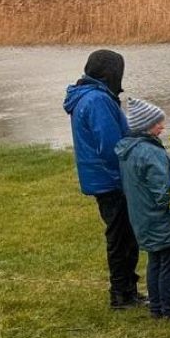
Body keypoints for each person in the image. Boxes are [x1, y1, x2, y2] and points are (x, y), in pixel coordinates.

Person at [63, 49, 142, 309]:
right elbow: (111, 146)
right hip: (111, 179)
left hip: (102, 177)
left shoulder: (88, 95)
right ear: (110, 74)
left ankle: (128, 289)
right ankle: (121, 294)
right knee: (121, 238)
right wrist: (135, 164)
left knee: (124, 236)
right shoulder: (97, 99)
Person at [117, 98, 170, 322]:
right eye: (157, 123)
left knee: (155, 263)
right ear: (145, 126)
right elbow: (163, 192)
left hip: (143, 218)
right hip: (162, 220)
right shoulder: (151, 152)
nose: (162, 126)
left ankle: (157, 308)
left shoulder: (129, 149)